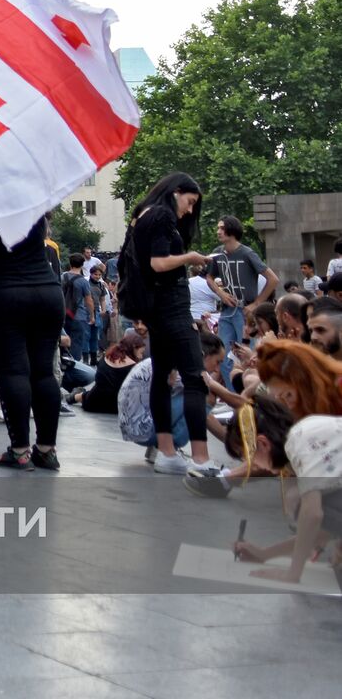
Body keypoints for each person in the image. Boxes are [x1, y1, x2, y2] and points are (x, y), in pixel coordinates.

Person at [127, 172, 216, 475]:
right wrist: (190, 257)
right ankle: (201, 459)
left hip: (155, 309)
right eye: (190, 202)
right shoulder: (164, 216)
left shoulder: (143, 214)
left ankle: (167, 452)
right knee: (195, 377)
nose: (190, 210)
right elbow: (159, 262)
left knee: (163, 376)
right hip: (173, 306)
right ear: (177, 192)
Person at [0, 204, 63, 471]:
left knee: (13, 372)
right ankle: (46, 450)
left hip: (5, 294)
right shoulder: (33, 202)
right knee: (43, 372)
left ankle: (19, 450)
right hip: (48, 293)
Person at [227, 395, 342, 585]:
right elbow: (322, 528)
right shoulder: (300, 437)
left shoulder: (300, 444)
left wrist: (292, 575)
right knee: (298, 500)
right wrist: (265, 554)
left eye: (247, 456)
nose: (250, 463)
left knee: (300, 504)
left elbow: (313, 516)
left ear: (263, 443)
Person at [205, 215, 278, 351]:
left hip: (245, 311)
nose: (218, 231)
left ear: (232, 229)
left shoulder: (247, 253)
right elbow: (209, 277)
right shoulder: (218, 253)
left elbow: (273, 279)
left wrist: (256, 303)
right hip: (226, 310)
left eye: (222, 228)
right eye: (218, 228)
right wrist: (220, 293)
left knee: (246, 349)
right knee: (224, 352)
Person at [73, 331, 147, 414]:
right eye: (141, 353)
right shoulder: (134, 367)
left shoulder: (106, 357)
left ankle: (76, 396)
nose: (141, 356)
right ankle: (78, 395)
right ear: (133, 347)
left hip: (93, 402)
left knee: (97, 391)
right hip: (117, 406)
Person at [61, 254, 95, 366]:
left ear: (70, 263)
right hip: (78, 315)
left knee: (63, 341)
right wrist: (92, 315)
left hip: (63, 315)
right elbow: (88, 300)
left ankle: (63, 364)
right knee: (76, 343)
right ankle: (74, 366)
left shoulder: (63, 276)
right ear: (82, 264)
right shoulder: (84, 281)